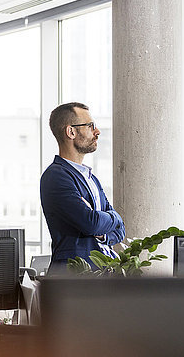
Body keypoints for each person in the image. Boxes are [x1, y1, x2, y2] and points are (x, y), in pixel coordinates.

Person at [40, 102, 125, 274]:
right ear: (71, 132)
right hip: (73, 279)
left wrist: (105, 230)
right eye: (90, 126)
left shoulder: (92, 179)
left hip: (100, 276)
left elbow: (120, 229)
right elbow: (91, 223)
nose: (97, 132)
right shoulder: (56, 176)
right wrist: (112, 216)